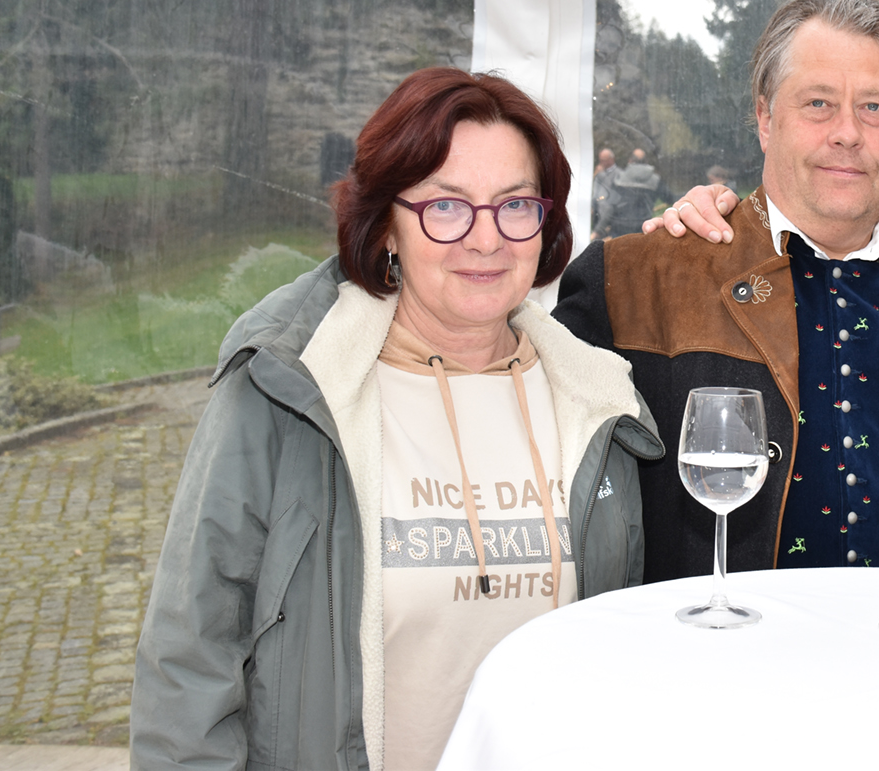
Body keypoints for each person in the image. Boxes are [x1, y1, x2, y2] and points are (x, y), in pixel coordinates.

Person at [130, 68, 662, 771]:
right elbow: (189, 662)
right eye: (445, 206)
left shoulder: (595, 402)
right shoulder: (293, 390)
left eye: (514, 205)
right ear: (386, 224)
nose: (485, 239)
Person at [553, 0, 879, 580]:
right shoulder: (632, 282)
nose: (848, 133)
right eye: (818, 103)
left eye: (874, 108)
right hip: (702, 639)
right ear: (764, 118)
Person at [589, 145, 620, 238]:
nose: (601, 163)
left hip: (609, 215)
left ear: (611, 159)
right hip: (597, 211)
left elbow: (609, 191)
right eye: (600, 160)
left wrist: (602, 174)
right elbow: (595, 191)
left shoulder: (618, 173)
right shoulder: (599, 173)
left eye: (604, 160)